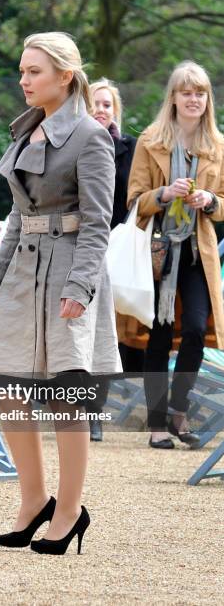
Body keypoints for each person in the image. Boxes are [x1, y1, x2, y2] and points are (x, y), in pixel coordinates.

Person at [0, 32, 121, 555]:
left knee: (66, 396)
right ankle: (33, 499)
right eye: (21, 71)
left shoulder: (90, 136)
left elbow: (99, 223)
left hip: (68, 274)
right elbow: (19, 212)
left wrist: (80, 286)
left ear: (65, 75)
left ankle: (69, 510)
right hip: (21, 274)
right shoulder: (26, 132)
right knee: (6, 388)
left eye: (34, 71)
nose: (23, 80)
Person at [124, 60, 224, 449]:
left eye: (200, 93)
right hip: (159, 253)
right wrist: (163, 194)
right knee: (159, 336)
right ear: (174, 98)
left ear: (207, 100)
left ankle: (178, 414)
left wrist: (211, 200)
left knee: (197, 330)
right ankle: (156, 424)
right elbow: (134, 202)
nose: (194, 99)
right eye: (187, 92)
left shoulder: (217, 145)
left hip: (198, 253)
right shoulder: (150, 141)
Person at [88, 77, 143, 441]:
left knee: (104, 334)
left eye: (108, 104)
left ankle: (93, 412)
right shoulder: (70, 143)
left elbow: (137, 198)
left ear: (116, 110)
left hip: (117, 248)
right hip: (78, 247)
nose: (102, 109)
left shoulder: (131, 148)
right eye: (96, 103)